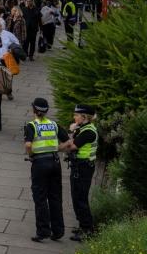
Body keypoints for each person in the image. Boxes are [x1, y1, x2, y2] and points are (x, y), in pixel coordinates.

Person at [24, 98, 70, 242]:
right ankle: (58, 231)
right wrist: (56, 149)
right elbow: (68, 142)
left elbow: (28, 145)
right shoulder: (53, 124)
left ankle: (43, 231)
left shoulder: (32, 125)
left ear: (34, 110)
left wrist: (32, 156)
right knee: (55, 197)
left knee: (40, 197)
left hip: (40, 164)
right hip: (55, 162)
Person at [65, 105, 99, 242]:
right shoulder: (83, 128)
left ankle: (87, 230)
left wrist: (70, 131)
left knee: (80, 198)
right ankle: (83, 225)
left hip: (84, 168)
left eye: (76, 115)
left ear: (84, 117)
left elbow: (71, 146)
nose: (74, 117)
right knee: (76, 197)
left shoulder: (88, 132)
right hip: (80, 167)